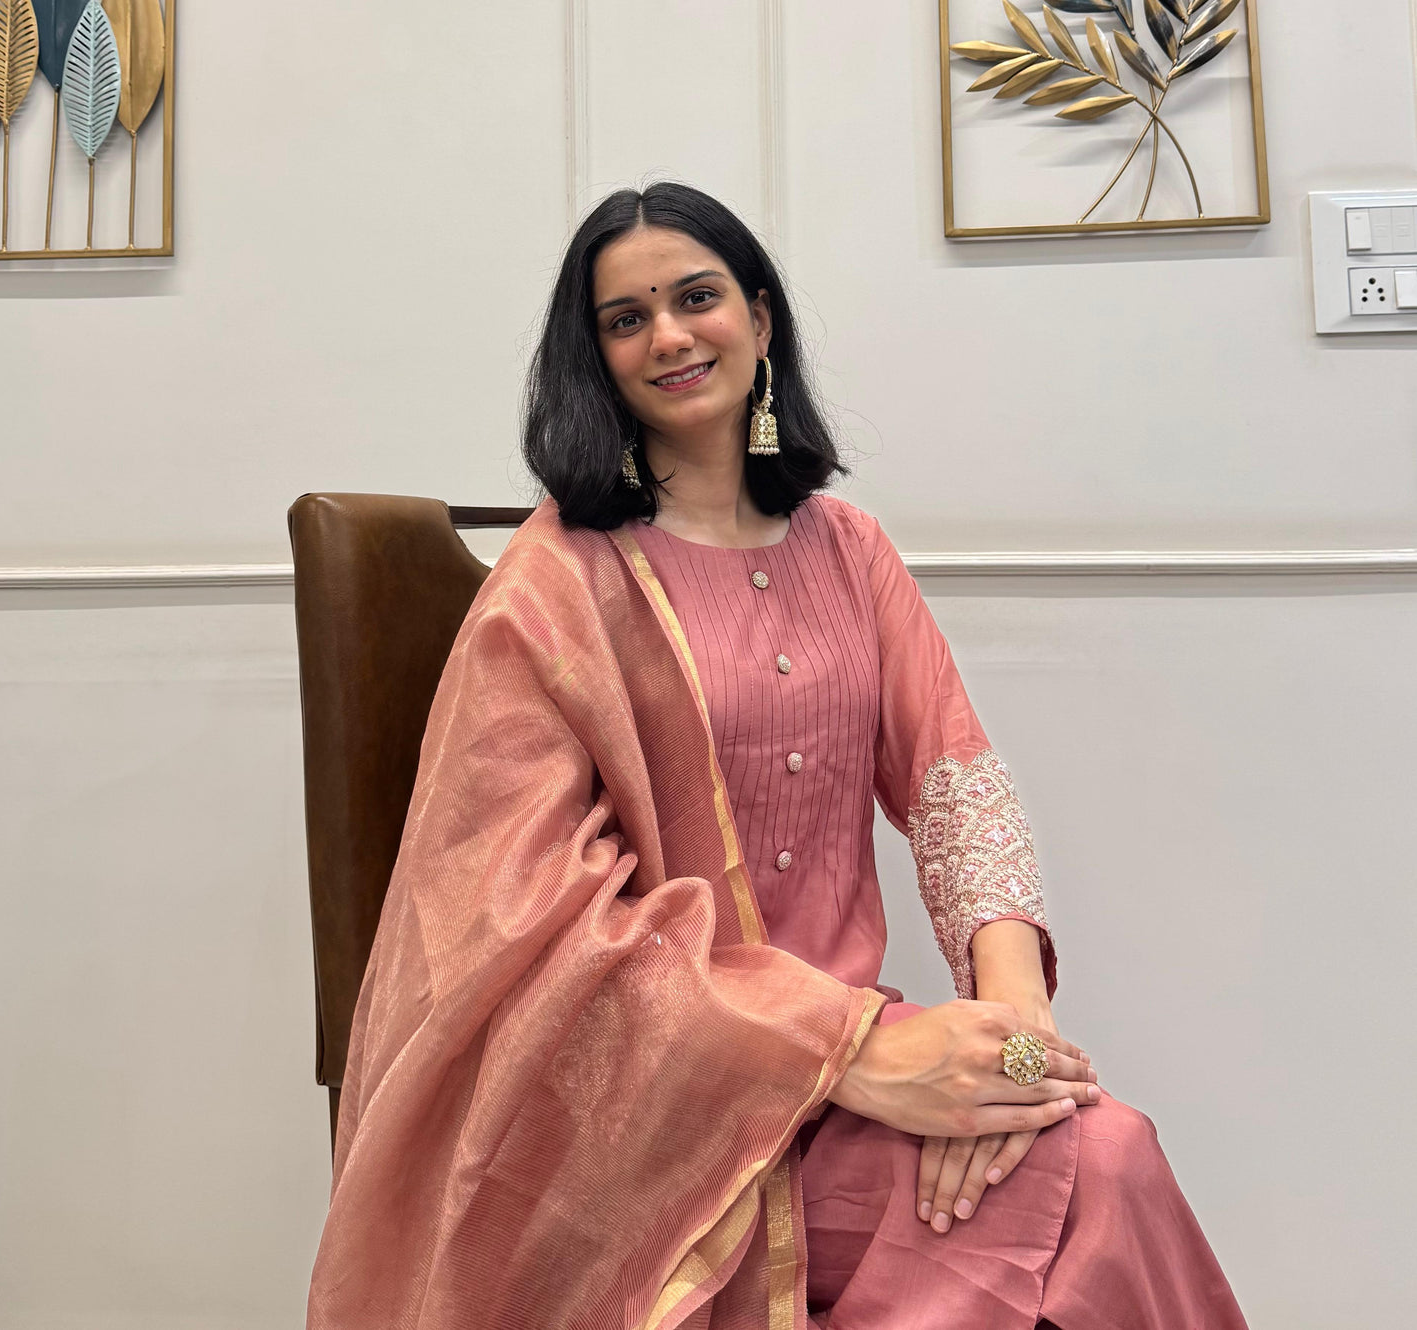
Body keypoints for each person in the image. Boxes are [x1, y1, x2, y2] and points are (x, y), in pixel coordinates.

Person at [305, 182, 1248, 1329]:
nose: (667, 335)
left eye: (695, 297)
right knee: (1093, 1170)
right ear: (594, 359)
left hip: (857, 1063)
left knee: (1079, 1145)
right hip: (660, 1100)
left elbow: (955, 784)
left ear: (757, 319)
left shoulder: (846, 547)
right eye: (624, 318)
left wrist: (1012, 1045)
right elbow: (517, 909)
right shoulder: (558, 586)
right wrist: (841, 1055)